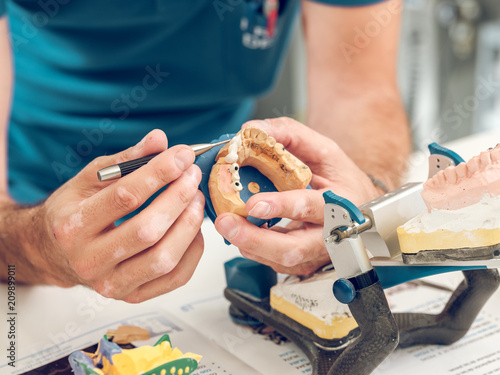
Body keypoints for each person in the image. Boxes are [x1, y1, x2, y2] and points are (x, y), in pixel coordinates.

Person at [0, 0, 410, 302]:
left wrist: (362, 197)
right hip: (33, 223)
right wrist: (33, 248)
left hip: (229, 237)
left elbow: (359, 91)